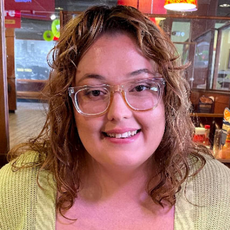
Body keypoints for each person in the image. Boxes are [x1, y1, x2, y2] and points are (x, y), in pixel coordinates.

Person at [0, 5, 230, 230]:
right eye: (94, 92)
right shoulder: (14, 188)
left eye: (140, 87)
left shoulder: (218, 187)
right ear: (69, 106)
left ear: (168, 98)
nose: (118, 113)